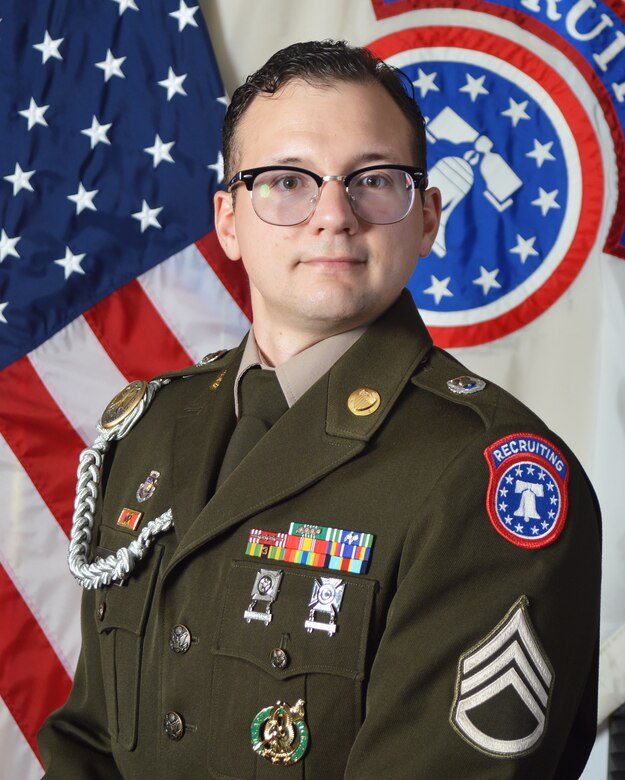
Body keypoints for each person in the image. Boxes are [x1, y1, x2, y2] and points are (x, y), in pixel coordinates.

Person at [38, 40, 601, 779]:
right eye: (285, 180)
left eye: (372, 179)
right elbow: (91, 743)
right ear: (228, 220)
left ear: (426, 217)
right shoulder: (150, 431)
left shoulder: (491, 477)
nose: (332, 215)